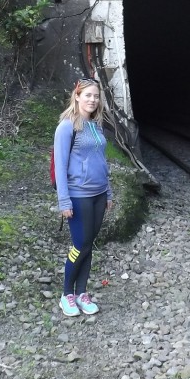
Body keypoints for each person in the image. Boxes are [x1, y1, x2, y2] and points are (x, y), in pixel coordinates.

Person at [53, 77, 113, 316]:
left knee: (89, 245)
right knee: (79, 245)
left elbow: (102, 161)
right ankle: (66, 294)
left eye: (96, 96)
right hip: (79, 195)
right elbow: (60, 165)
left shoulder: (96, 125)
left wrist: (108, 191)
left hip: (99, 194)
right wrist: (63, 200)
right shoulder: (67, 126)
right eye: (88, 95)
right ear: (77, 96)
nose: (92, 100)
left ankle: (82, 293)